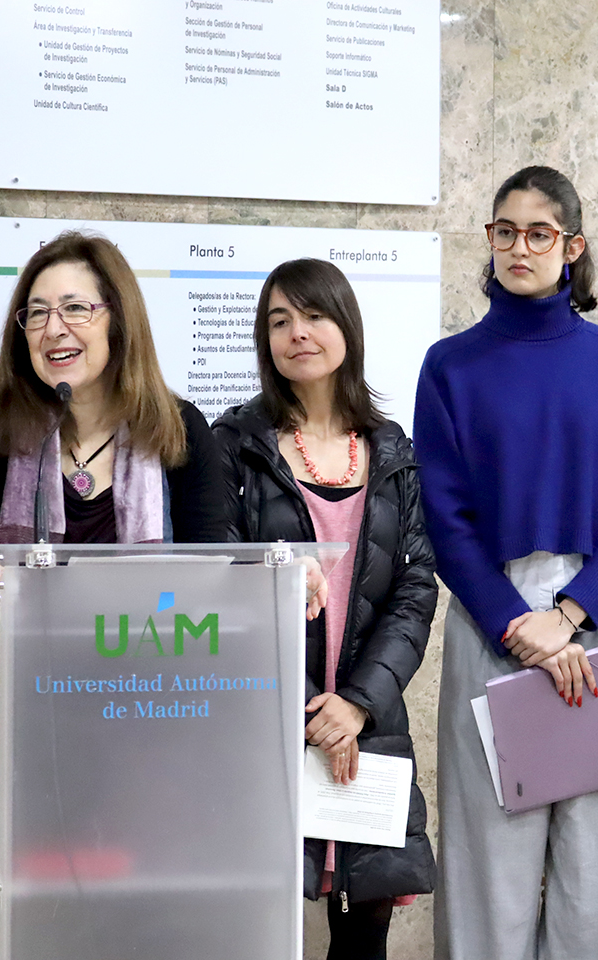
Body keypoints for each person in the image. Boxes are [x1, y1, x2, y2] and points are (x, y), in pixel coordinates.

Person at [0, 231, 231, 958]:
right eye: (35, 312)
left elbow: (218, 572)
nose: (54, 328)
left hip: (146, 739)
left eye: (75, 308)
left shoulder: (179, 431)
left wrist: (284, 579)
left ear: (119, 320)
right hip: (17, 739)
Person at [413, 166, 598, 960]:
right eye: (504, 231)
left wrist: (568, 617)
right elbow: (445, 518)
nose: (519, 247)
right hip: (495, 626)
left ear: (573, 247)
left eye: (538, 233)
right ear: (488, 241)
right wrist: (517, 624)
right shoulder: (449, 366)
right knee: (490, 866)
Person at [212, 258, 437, 960]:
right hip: (269, 720)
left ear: (346, 326)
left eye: (313, 315)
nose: (297, 333)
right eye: (279, 321)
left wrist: (358, 706)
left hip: (370, 724)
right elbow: (224, 586)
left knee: (365, 931)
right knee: (259, 926)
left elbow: (415, 587)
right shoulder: (236, 447)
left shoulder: (392, 449)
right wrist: (313, 710)